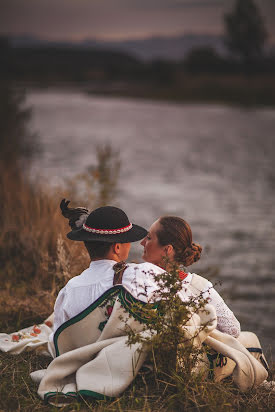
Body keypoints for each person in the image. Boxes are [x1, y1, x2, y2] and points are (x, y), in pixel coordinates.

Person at [53, 202, 166, 334]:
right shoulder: (140, 274)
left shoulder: (69, 291)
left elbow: (59, 337)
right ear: (117, 247)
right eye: (127, 240)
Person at [140, 216, 241, 338]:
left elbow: (234, 330)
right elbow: (233, 330)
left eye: (149, 238)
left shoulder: (135, 278)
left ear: (167, 249)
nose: (142, 242)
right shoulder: (200, 287)